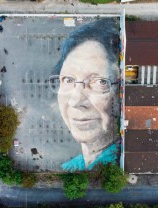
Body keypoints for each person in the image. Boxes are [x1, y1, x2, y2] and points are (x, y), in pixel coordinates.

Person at [50, 18, 121, 172]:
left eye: (99, 82)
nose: (76, 101)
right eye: (68, 80)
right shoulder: (72, 169)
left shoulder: (113, 167)